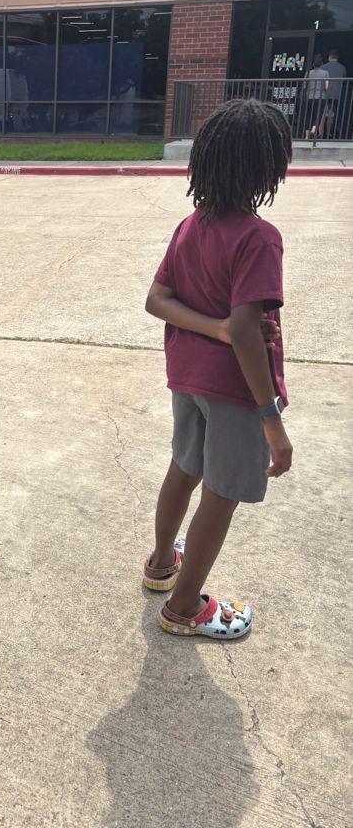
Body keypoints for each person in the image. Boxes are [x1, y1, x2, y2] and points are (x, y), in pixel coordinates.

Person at [143, 99, 293, 640]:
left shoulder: (192, 225)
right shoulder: (258, 237)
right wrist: (271, 419)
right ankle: (184, 606)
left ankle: (163, 562)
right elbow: (247, 332)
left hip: (188, 377)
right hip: (235, 388)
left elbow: (158, 300)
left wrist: (215, 328)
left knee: (184, 468)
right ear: (268, 168)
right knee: (222, 492)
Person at [320, 49, 347, 139]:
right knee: (331, 115)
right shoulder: (342, 68)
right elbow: (344, 78)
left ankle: (320, 134)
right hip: (336, 94)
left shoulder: (324, 67)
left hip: (324, 94)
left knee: (322, 115)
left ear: (329, 57)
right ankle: (328, 134)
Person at [303, 53, 329, 138]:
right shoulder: (325, 73)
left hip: (309, 96)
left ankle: (306, 136)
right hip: (320, 97)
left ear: (313, 64)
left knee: (308, 115)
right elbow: (326, 86)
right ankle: (314, 128)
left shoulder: (308, 73)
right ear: (322, 64)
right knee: (318, 114)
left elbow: (304, 86)